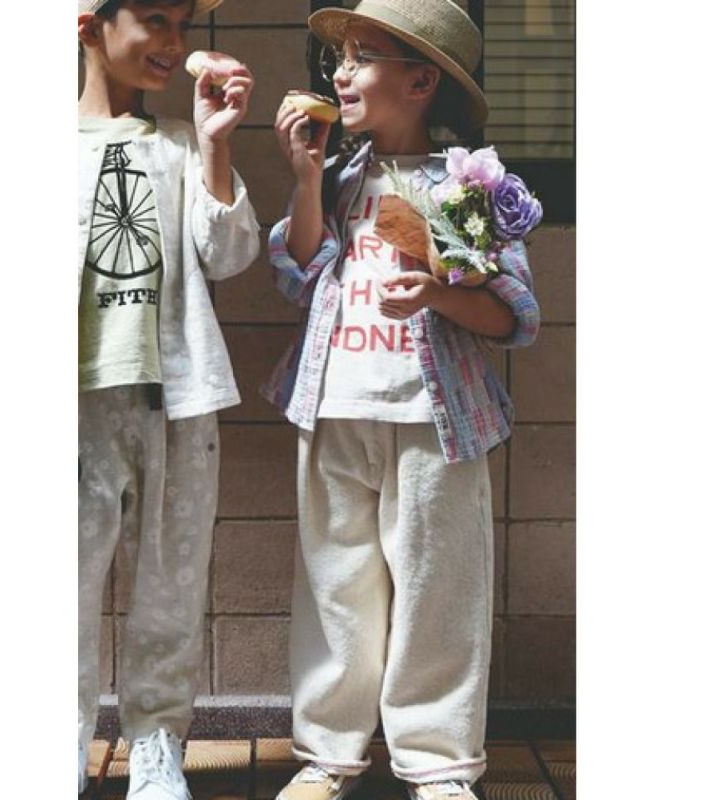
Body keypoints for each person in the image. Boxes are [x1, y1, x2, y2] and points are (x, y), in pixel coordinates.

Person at [263, 2, 540, 799]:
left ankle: (438, 763)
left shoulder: (469, 183)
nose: (340, 74)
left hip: (435, 419)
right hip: (334, 406)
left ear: (420, 82)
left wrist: (439, 295)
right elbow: (298, 275)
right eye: (339, 60)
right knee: (335, 589)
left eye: (362, 58)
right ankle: (327, 755)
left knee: (437, 592)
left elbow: (513, 318)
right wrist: (306, 177)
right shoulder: (340, 175)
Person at [77, 0, 259, 796]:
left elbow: (230, 253)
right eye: (154, 18)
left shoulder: (181, 144)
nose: (174, 41)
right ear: (88, 25)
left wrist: (216, 143)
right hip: (73, 408)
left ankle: (155, 743)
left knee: (170, 588)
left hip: (176, 400)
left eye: (182, 23)